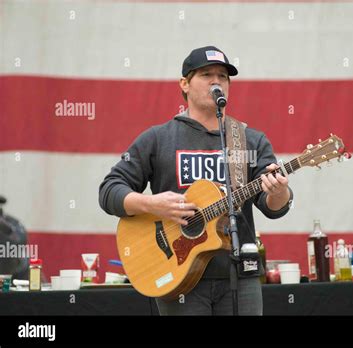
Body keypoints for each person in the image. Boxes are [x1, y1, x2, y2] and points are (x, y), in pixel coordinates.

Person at [99, 46, 293, 315]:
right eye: (206, 74)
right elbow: (109, 190)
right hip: (178, 273)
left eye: (223, 76)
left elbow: (272, 207)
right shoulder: (158, 138)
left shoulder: (249, 140)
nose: (217, 82)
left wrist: (279, 191)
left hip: (240, 274)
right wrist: (150, 204)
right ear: (185, 83)